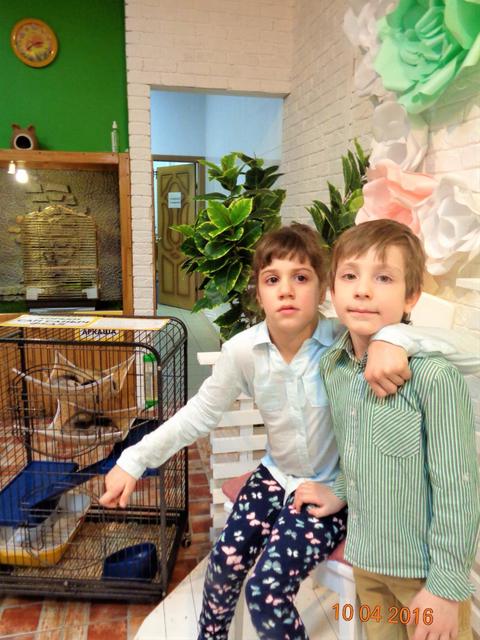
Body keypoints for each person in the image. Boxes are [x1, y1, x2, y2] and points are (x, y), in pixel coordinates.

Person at [100, 224, 477, 640]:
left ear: (322, 290)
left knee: (267, 590)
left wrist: (394, 336)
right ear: (257, 293)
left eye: (300, 277)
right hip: (274, 474)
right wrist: (133, 460)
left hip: (331, 486)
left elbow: (457, 350)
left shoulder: (345, 340)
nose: (286, 291)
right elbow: (199, 414)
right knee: (223, 562)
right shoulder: (243, 352)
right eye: (272, 280)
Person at [308, 219, 480, 640]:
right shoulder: (335, 367)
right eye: (350, 276)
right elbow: (353, 449)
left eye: (383, 278)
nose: (363, 290)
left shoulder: (433, 378)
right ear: (332, 291)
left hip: (423, 574)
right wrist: (339, 490)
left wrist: (446, 585)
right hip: (366, 561)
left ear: (411, 296)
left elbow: (458, 487)